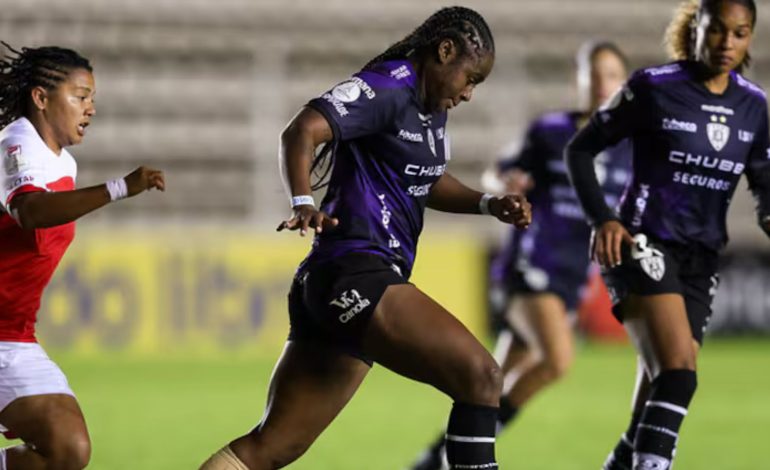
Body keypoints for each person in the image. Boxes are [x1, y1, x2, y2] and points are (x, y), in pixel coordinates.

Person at [199, 7, 532, 470]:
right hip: (353, 269)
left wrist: (486, 203)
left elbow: (426, 179)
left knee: (270, 449)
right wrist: (301, 202)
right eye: (471, 78)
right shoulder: (387, 86)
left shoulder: (429, 108)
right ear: (445, 50)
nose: (470, 93)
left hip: (339, 284)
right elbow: (302, 130)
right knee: (482, 376)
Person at [410, 40, 633, 470]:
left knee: (492, 384)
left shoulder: (626, 149)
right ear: (580, 79)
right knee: (557, 360)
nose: (601, 83)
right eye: (593, 74)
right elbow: (499, 170)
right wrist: (503, 182)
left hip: (571, 276)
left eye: (610, 74)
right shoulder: (550, 131)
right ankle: (456, 452)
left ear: (623, 83)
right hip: (532, 264)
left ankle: (434, 459)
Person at [565, 1, 769, 469]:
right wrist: (603, 219)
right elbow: (581, 150)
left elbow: (765, 184)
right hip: (640, 241)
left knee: (651, 413)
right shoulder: (652, 88)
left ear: (750, 37)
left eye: (739, 33)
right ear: (696, 28)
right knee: (678, 375)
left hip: (701, 258)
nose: (726, 43)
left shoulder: (753, 106)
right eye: (717, 30)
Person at [0, 43, 165, 470]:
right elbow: (30, 211)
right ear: (41, 98)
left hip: (12, 336)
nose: (90, 108)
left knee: (67, 450)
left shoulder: (63, 164)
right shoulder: (15, 142)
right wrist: (119, 188)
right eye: (80, 95)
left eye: (92, 98)